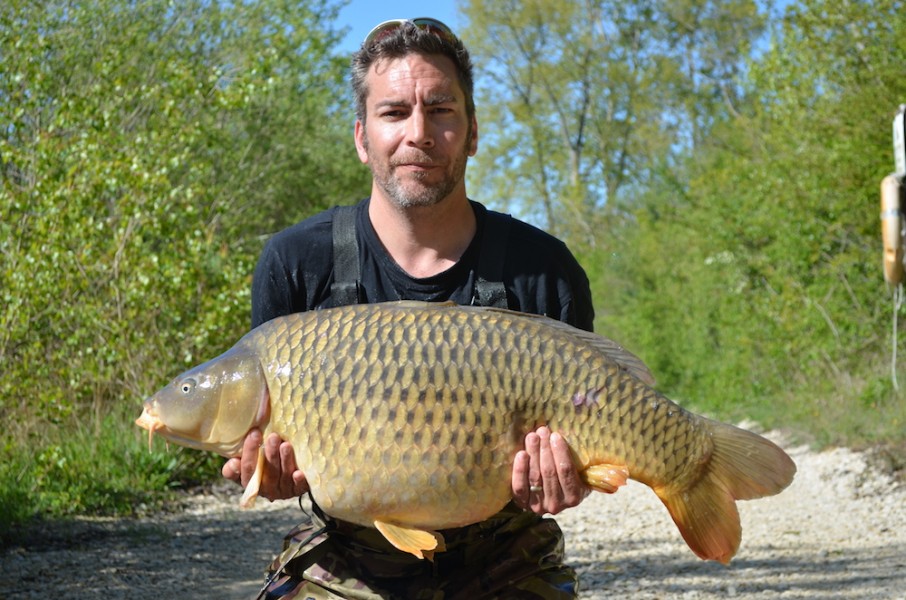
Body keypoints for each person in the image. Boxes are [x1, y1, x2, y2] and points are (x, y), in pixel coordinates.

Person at [222, 17, 595, 599]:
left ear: (472, 132)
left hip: (506, 555)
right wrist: (267, 474)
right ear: (361, 136)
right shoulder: (295, 262)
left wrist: (565, 478)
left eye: (441, 110)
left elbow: (584, 435)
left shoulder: (543, 269)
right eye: (394, 112)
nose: (418, 132)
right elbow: (269, 449)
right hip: (350, 557)